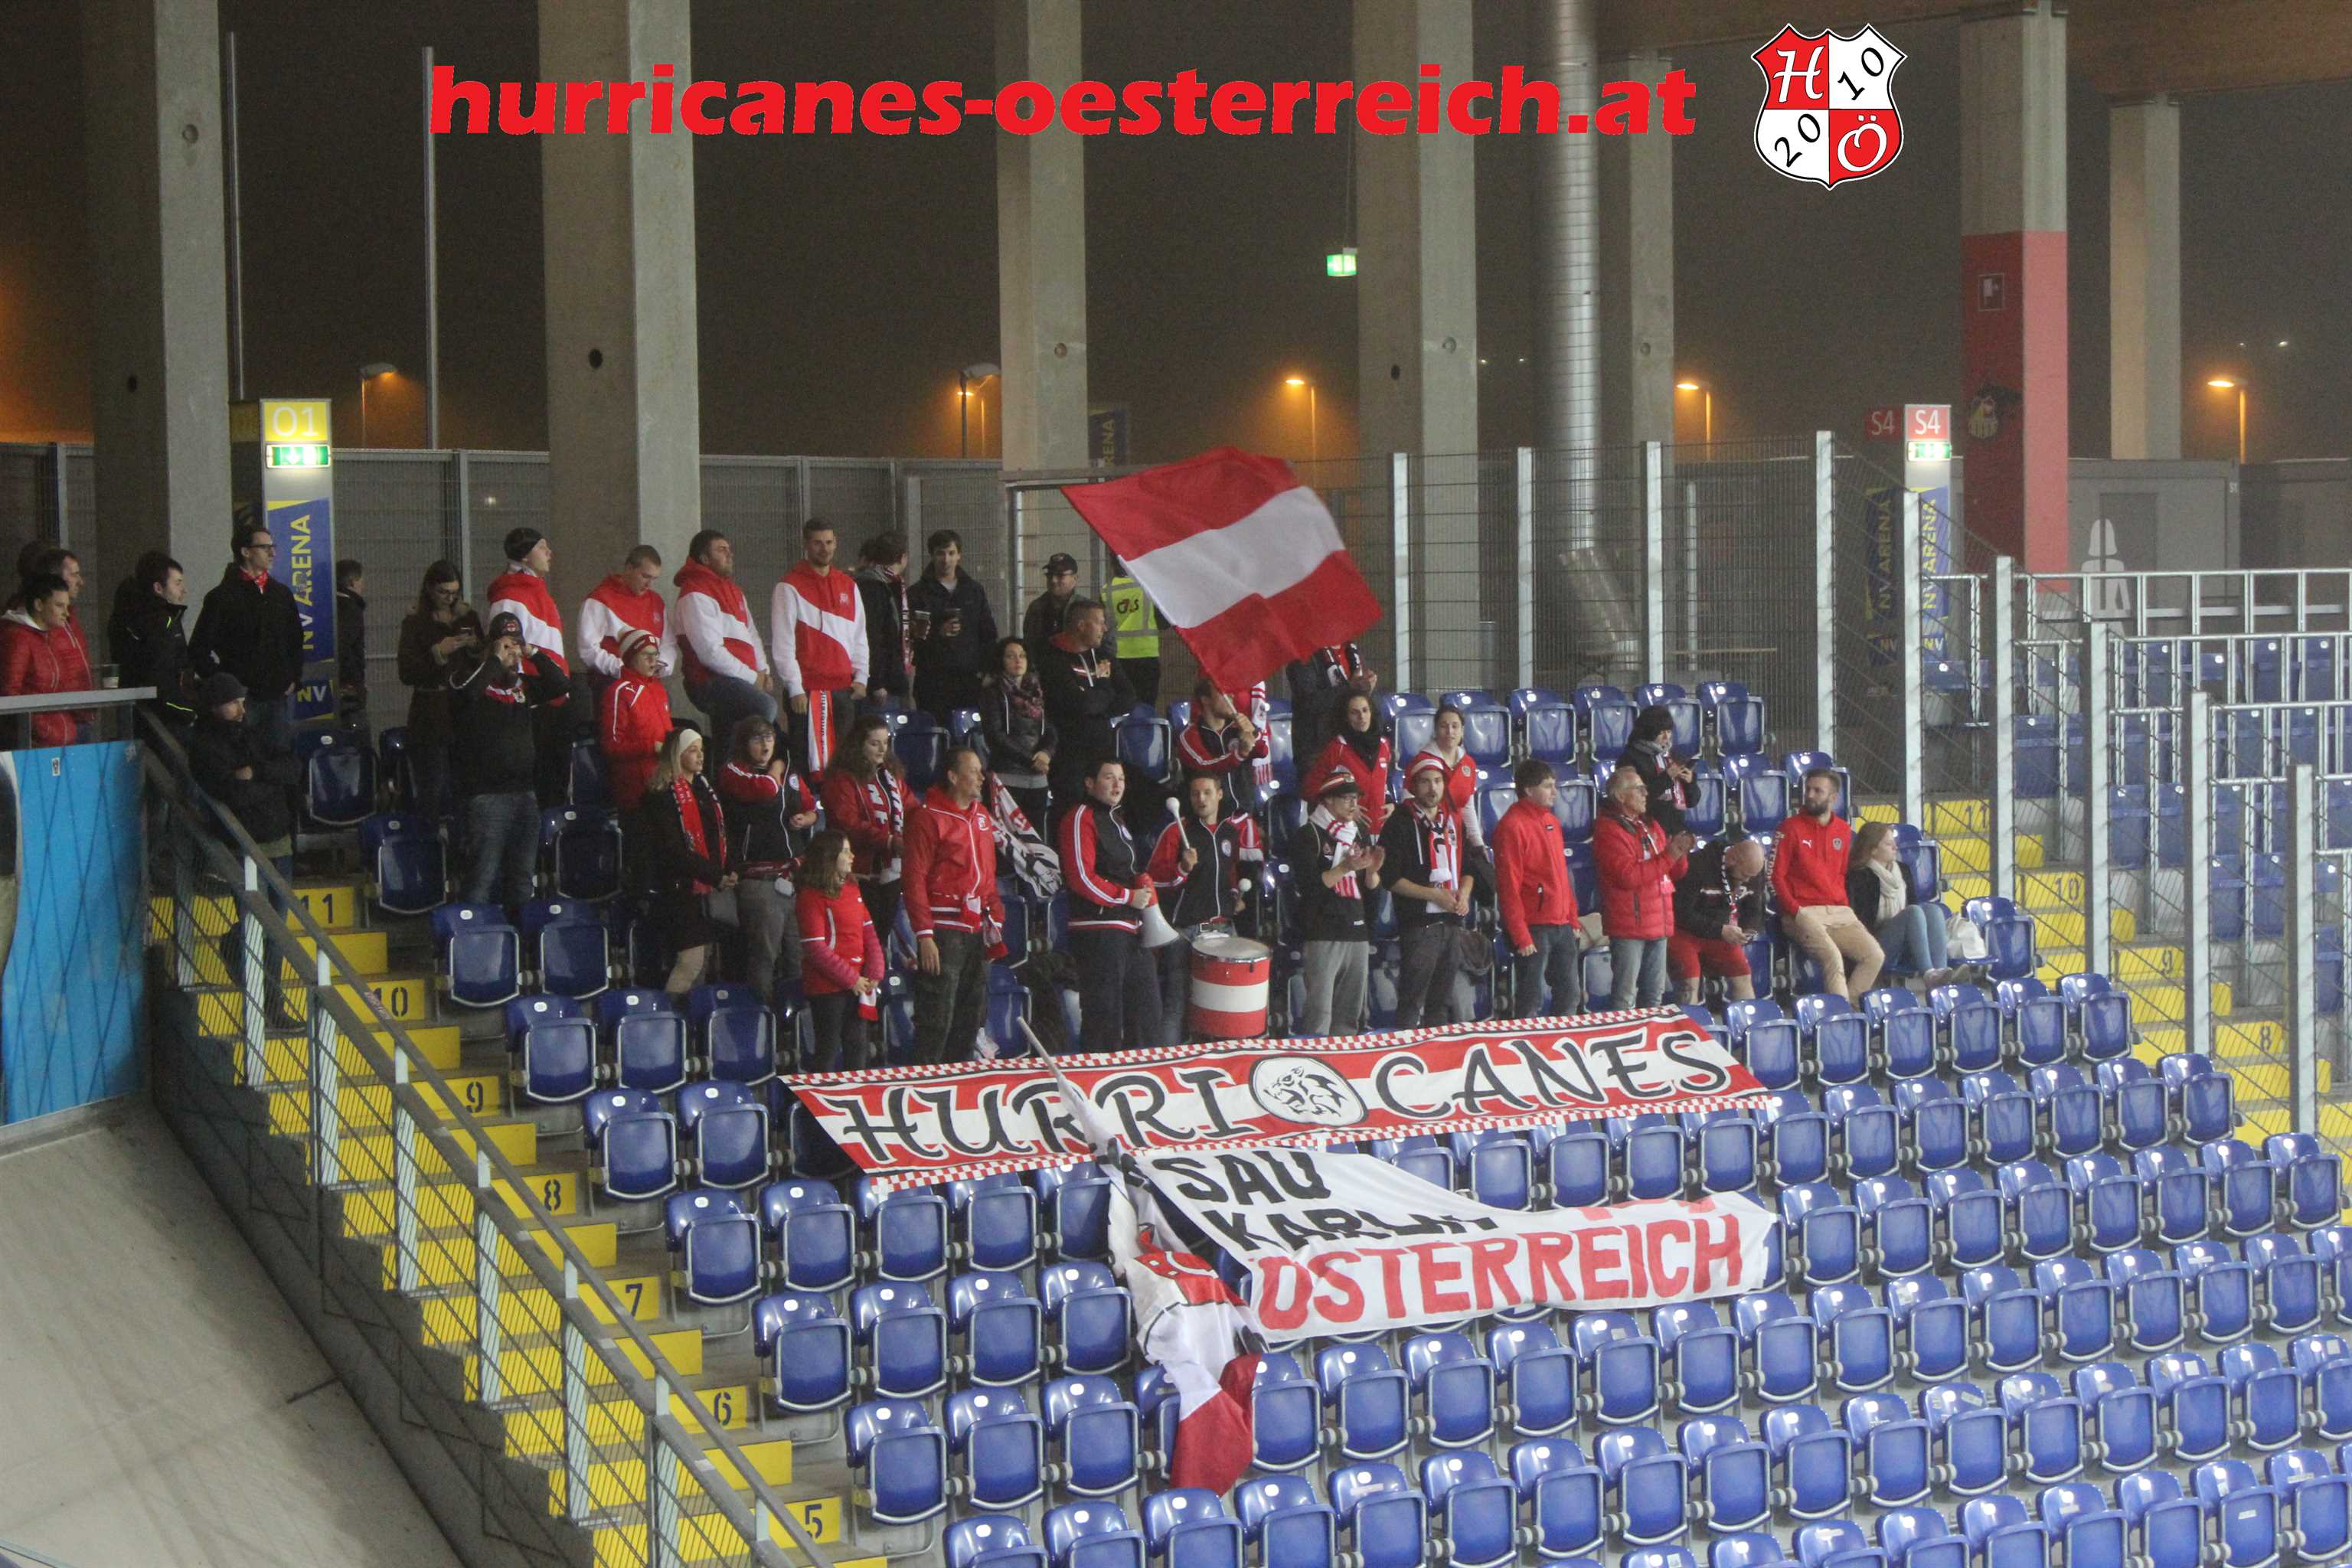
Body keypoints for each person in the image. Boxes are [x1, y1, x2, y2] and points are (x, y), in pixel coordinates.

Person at [187, 671, 300, 1027]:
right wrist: (269, 781)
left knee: (276, 930)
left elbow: (292, 768)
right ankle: (266, 1000)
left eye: (241, 701)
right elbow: (231, 794)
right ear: (214, 706)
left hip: (277, 840)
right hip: (243, 848)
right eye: (232, 703)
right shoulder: (205, 745)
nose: (241, 708)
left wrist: (257, 774)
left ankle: (272, 1004)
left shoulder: (255, 730)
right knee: (259, 926)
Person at [903, 746, 1004, 1065]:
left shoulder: (982, 816)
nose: (981, 777)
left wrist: (996, 918)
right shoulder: (927, 817)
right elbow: (914, 878)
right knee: (937, 1019)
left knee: (970, 1018)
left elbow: (988, 873)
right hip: (944, 930)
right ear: (952, 776)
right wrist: (925, 935)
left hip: (977, 929)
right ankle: (926, 1085)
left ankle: (959, 1083)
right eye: (973, 771)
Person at [449, 612, 556, 913]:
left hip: (525, 794)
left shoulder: (524, 685)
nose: (512, 653)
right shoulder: (467, 677)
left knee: (522, 880)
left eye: (516, 646)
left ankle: (519, 937)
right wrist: (494, 660)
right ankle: (474, 936)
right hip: (486, 796)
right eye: (506, 646)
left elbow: (560, 684)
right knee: (482, 878)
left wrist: (533, 652)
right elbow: (467, 695)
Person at [1147, 771, 1263, 1045]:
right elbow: (1153, 879)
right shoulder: (1177, 831)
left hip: (1224, 929)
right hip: (1186, 932)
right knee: (1178, 1004)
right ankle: (1169, 1061)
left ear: (1220, 795)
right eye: (1195, 794)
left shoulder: (1230, 833)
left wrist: (1234, 896)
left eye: (1207, 793)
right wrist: (1181, 868)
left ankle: (1223, 1061)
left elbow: (1229, 875)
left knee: (1227, 1005)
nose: (1201, 799)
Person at [1057, 756, 1161, 1050]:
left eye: (1122, 779)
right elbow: (1080, 877)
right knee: (1104, 1019)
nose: (1118, 785)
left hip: (1130, 930)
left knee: (1147, 1015)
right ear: (1089, 783)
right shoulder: (1080, 817)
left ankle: (1143, 1073)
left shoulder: (1117, 820)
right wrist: (1127, 896)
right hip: (1099, 930)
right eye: (1109, 777)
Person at [717, 715, 818, 1004]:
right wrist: (776, 768)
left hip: (794, 876)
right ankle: (761, 1016)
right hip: (760, 879)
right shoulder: (734, 771)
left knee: (799, 953)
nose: (765, 744)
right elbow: (766, 789)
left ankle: (794, 1017)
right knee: (765, 955)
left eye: (769, 737)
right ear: (744, 743)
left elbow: (811, 806)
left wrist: (806, 818)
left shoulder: (790, 772)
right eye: (757, 738)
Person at [636, 725, 737, 1001]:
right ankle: (668, 1016)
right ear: (677, 754)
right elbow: (673, 851)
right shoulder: (661, 795)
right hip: (679, 889)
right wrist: (715, 875)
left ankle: (691, 1019)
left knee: (704, 962)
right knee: (690, 962)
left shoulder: (706, 790)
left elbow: (721, 835)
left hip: (708, 887)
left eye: (701, 750)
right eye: (692, 750)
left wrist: (728, 870)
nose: (700, 756)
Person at [189, 510, 303, 749]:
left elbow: (295, 639)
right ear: (246, 552)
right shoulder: (222, 597)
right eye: (264, 547)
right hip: (242, 697)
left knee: (279, 757)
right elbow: (198, 649)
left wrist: (293, 677)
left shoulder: (281, 594)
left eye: (273, 547)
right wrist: (225, 683)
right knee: (242, 754)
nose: (272, 553)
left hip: (277, 694)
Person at [1775, 767, 1883, 1004]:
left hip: (1838, 911)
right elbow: (1776, 877)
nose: (1809, 795)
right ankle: (1842, 1017)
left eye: (1818, 791)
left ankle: (1846, 1009)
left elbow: (1841, 873)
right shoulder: (1790, 828)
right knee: (1833, 958)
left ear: (1833, 798)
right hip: (1802, 911)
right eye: (1808, 789)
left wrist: (1844, 906)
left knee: (1874, 955)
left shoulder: (1843, 830)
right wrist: (1795, 912)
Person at [1381, 755, 1473, 1029]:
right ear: (1413, 785)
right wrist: (1433, 895)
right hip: (1419, 925)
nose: (1433, 788)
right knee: (1412, 1000)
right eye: (1425, 782)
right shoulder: (1399, 822)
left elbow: (1470, 868)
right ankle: (1405, 1051)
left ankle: (1438, 1054)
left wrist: (1464, 894)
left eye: (1437, 781)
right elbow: (1391, 879)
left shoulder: (1454, 820)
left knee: (1441, 1002)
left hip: (1452, 923)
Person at [773, 518, 869, 775]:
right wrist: (794, 688)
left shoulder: (849, 585)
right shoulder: (789, 586)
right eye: (817, 543)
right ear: (806, 544)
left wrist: (861, 677)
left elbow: (859, 635)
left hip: (843, 690)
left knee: (842, 766)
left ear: (836, 543)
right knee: (806, 765)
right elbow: (783, 643)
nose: (824, 549)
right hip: (807, 691)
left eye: (828, 542)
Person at [484, 528, 573, 804]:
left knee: (556, 786)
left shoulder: (539, 592)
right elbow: (506, 655)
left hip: (554, 697)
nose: (550, 553)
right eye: (542, 547)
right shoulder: (509, 597)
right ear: (524, 556)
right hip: (532, 705)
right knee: (540, 787)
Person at [1494, 759, 1586, 1018]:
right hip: (1534, 926)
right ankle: (1527, 1040)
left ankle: (1562, 1040)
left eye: (1554, 785)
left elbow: (1562, 877)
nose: (1555, 792)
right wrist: (1520, 934)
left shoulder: (1552, 822)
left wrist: (1572, 918)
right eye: (1547, 786)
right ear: (1528, 790)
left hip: (1561, 924)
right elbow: (1508, 886)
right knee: (1530, 997)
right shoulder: (1512, 826)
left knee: (1570, 994)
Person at [1291, 772, 1381, 1036]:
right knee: (1320, 1014)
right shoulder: (1309, 835)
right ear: (1328, 800)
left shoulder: (1359, 833)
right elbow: (1310, 889)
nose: (1354, 804)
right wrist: (1344, 868)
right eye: (1346, 798)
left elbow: (1369, 890)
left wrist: (1372, 872)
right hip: (1323, 931)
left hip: (1357, 931)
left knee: (1350, 1015)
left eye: (1355, 798)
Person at [1594, 767, 1691, 1010]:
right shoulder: (1609, 830)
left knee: (1654, 997)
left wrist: (1680, 852)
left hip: (1659, 922)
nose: (1646, 794)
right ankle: (1624, 1036)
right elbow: (1629, 877)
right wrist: (1670, 855)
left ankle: (1650, 1036)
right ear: (1621, 796)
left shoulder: (1651, 825)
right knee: (1625, 997)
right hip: (1629, 926)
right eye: (1639, 789)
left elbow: (1675, 873)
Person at [675, 528, 776, 748]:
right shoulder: (695, 592)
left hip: (738, 679)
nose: (730, 554)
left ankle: (734, 766)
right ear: (704, 558)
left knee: (731, 736)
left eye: (729, 549)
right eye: (721, 550)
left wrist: (764, 671)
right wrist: (753, 678)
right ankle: (747, 763)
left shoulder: (734, 591)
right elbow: (710, 653)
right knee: (766, 707)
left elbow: (752, 635)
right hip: (708, 681)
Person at [394, 561, 480, 818]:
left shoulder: (468, 618)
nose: (449, 599)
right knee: (432, 788)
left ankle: (462, 839)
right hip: (430, 715)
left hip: (463, 711)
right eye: (443, 592)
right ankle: (428, 836)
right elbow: (406, 673)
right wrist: (437, 654)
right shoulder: (415, 623)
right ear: (430, 589)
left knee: (466, 789)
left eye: (454, 593)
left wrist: (475, 647)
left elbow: (481, 664)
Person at [1849, 821, 1977, 988]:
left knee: (1932, 910)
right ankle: (1929, 974)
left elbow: (1914, 906)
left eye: (1894, 843)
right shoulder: (1859, 876)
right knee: (1913, 912)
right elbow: (1861, 922)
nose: (1895, 847)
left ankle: (1941, 972)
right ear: (1872, 849)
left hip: (1906, 940)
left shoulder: (1903, 870)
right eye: (1888, 844)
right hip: (1876, 942)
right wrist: (1897, 925)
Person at [795, 829, 882, 1073]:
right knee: (828, 1051)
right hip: (828, 988)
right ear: (829, 856)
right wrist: (851, 978)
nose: (852, 856)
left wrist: (875, 969)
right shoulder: (811, 896)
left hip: (858, 985)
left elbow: (868, 931)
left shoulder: (852, 888)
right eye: (845, 851)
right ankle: (821, 1098)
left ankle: (857, 1096)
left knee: (858, 1050)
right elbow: (815, 947)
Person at [820, 712, 913, 939]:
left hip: (890, 873)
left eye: (885, 743)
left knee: (879, 939)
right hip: (856, 873)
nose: (882, 750)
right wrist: (888, 841)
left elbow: (912, 808)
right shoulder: (841, 778)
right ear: (858, 745)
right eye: (874, 744)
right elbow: (847, 823)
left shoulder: (892, 776)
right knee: (858, 938)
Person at [1037, 597, 1135, 808]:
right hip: (1068, 755)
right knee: (1071, 809)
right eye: (1099, 622)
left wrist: (1096, 703)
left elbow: (1128, 698)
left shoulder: (1103, 657)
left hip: (1102, 751)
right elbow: (1079, 704)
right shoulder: (1052, 659)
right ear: (1081, 626)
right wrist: (1105, 690)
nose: (1105, 628)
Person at [907, 528, 998, 724]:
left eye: (951, 553)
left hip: (969, 679)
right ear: (932, 555)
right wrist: (937, 634)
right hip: (932, 680)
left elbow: (988, 633)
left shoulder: (974, 591)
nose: (946, 560)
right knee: (936, 731)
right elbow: (911, 640)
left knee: (970, 733)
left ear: (959, 556)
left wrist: (987, 672)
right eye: (940, 553)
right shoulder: (917, 593)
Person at [577, 544, 675, 719]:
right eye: (645, 576)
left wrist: (661, 665)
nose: (650, 584)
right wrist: (624, 669)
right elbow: (588, 649)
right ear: (629, 568)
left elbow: (668, 643)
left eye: (654, 579)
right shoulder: (600, 599)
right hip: (612, 682)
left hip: (649, 682)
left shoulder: (657, 602)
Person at [107, 551, 194, 739]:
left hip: (142, 710)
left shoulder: (129, 617)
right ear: (158, 588)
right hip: (163, 716)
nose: (184, 590)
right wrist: (188, 711)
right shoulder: (161, 623)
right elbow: (162, 676)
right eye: (178, 583)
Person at [0, 571, 93, 746]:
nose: (66, 613)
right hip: (35, 743)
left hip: (58, 739)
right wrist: (43, 731)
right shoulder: (18, 638)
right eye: (59, 606)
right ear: (39, 605)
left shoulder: (48, 637)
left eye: (67, 606)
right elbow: (10, 693)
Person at [1671, 836, 1767, 1004]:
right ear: (1732, 860)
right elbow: (1681, 914)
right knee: (1690, 985)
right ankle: (1688, 1020)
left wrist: (1747, 931)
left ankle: (1747, 1018)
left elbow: (1754, 910)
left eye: (1751, 876)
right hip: (1684, 931)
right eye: (1744, 875)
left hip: (1719, 933)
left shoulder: (1752, 872)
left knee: (1742, 974)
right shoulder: (1697, 865)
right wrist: (1720, 930)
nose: (1747, 880)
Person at [978, 635, 1055, 828]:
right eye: (1011, 656)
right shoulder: (993, 693)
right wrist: (1031, 760)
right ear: (1001, 661)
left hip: (1038, 778)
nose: (1018, 660)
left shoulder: (1037, 692)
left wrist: (1046, 752)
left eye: (1022, 655)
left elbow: (1050, 728)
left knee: (1036, 837)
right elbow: (995, 735)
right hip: (1008, 776)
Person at [598, 627, 671, 812]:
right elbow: (612, 746)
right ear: (631, 658)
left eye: (655, 654)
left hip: (664, 780)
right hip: (635, 788)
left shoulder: (659, 690)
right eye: (646, 655)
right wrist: (651, 747)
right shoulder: (618, 692)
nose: (653, 661)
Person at [1174, 680, 1267, 818]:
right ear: (1205, 700)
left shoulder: (1238, 727)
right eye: (1224, 693)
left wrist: (1253, 732)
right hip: (1208, 821)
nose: (1231, 696)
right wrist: (1240, 753)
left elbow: (1262, 751)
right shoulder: (1190, 736)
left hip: (1244, 816)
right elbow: (1207, 767)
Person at [1307, 689, 1393, 834]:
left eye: (1365, 710)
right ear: (1346, 717)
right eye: (1354, 712)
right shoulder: (1337, 748)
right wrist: (1346, 807)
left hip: (1380, 831)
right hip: (1345, 833)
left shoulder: (1384, 745)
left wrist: (1390, 802)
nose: (1361, 717)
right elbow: (1310, 789)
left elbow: (1384, 781)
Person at [1410, 704, 1491, 854]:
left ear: (1462, 730)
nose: (1450, 732)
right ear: (1435, 730)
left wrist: (1478, 844)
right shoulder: (1421, 762)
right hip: (1427, 838)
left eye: (1455, 726)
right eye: (1444, 726)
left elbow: (1467, 808)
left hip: (1457, 837)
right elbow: (1408, 805)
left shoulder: (1468, 763)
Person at [1285, 639, 1377, 764]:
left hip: (1353, 744)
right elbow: (1308, 703)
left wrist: (1366, 691)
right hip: (1318, 750)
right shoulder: (1304, 655)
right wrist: (1349, 687)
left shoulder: (1351, 649)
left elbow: (1356, 697)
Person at [853, 532, 914, 710]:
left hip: (891, 676)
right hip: (882, 683)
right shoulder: (874, 587)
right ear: (903, 558)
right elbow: (873, 636)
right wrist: (877, 682)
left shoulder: (890, 584)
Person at [1622, 705, 1694, 836]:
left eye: (1669, 731)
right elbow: (1634, 798)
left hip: (1675, 826)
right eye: (1661, 733)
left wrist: (1690, 782)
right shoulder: (1630, 758)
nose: (1666, 737)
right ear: (1648, 732)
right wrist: (1667, 778)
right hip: (1648, 825)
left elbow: (1692, 801)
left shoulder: (1673, 754)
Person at [1103, 560, 1161, 707]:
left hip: (1118, 656)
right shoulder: (1147, 587)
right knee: (1146, 705)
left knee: (1122, 703)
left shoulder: (1106, 590)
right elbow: (1162, 622)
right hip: (1146, 654)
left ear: (1113, 564)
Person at [1022, 552, 1081, 652]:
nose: (1053, 580)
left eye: (1060, 575)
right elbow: (1029, 645)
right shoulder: (1037, 608)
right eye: (1049, 575)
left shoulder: (1085, 609)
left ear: (1075, 578)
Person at [335, 559, 368, 725]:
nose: (363, 585)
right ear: (352, 582)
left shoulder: (331, 605)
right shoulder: (350, 609)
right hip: (348, 689)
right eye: (361, 580)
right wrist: (355, 683)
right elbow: (345, 648)